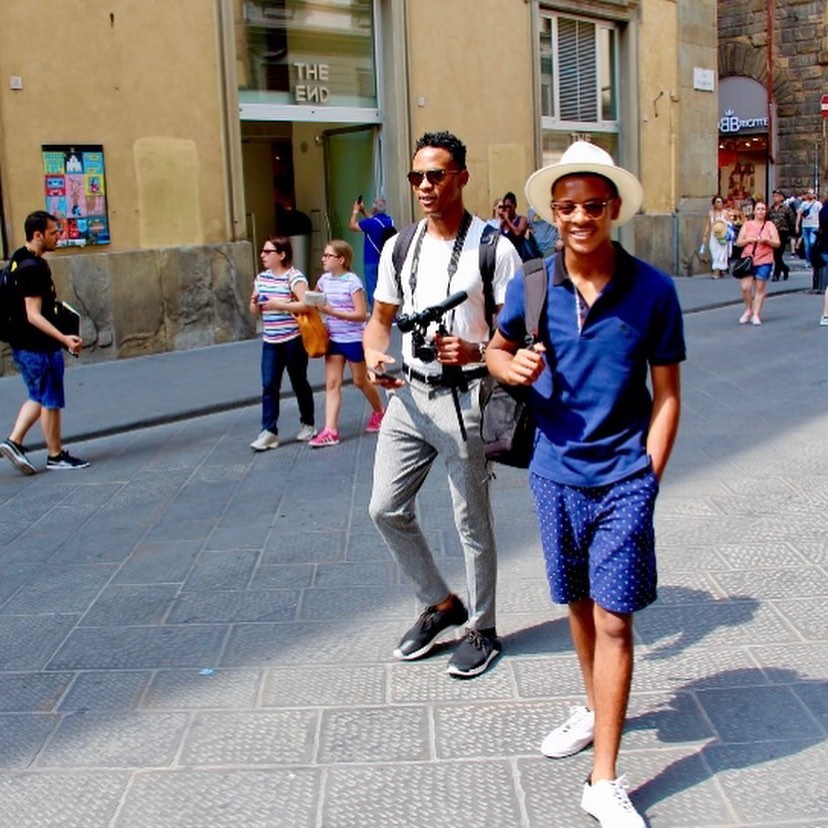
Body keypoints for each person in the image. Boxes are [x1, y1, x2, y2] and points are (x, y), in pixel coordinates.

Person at [486, 141, 685, 828]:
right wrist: (502, 366)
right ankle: (594, 709)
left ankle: (602, 780)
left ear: (616, 210)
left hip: (624, 474)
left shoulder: (654, 291)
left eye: (591, 206)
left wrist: (648, 476)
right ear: (552, 213)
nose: (578, 218)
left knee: (614, 620)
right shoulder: (534, 285)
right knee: (575, 604)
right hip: (553, 472)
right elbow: (496, 345)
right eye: (565, 206)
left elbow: (667, 396)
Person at [363, 130, 521, 678]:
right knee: (384, 508)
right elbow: (379, 320)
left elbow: (517, 334)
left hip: (466, 399)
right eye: (417, 177)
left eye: (437, 174)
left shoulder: (494, 248)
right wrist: (376, 359)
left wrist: (475, 349)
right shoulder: (399, 246)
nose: (425, 186)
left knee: (471, 523)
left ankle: (483, 626)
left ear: (462, 178)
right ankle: (440, 603)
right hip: (409, 396)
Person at [0, 211, 88, 474]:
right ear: (37, 235)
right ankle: (46, 452)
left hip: (27, 344)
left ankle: (24, 445)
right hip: (37, 346)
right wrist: (64, 339)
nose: (58, 236)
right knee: (48, 398)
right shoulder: (32, 269)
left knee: (42, 397)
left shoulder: (21, 257)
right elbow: (33, 314)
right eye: (53, 232)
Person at [308, 239, 384, 447]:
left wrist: (331, 311)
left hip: (353, 338)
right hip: (333, 338)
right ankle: (330, 430)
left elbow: (361, 315)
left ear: (341, 259)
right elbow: (314, 300)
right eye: (324, 255)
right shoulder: (324, 280)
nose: (323, 259)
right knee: (332, 384)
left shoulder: (353, 282)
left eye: (328, 256)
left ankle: (380, 412)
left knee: (360, 381)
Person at [248, 236, 316, 451]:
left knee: (299, 383)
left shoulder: (294, 277)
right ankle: (269, 431)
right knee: (269, 385)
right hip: (270, 341)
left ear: (282, 254)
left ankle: (308, 424)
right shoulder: (261, 279)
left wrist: (280, 304)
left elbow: (306, 305)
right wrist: (253, 304)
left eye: (268, 252)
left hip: (293, 340)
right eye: (263, 251)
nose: (263, 255)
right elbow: (255, 312)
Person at [734, 199, 780, 326]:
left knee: (760, 287)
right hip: (748, 259)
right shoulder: (747, 225)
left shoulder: (769, 225)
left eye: (763, 209)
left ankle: (756, 314)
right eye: (758, 209)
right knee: (745, 288)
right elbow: (738, 242)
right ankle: (748, 309)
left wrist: (767, 240)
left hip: (765, 259)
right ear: (754, 211)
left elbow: (777, 243)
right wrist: (750, 239)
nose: (761, 211)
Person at [348, 196, 394, 307]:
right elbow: (373, 221)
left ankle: (375, 314)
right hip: (384, 259)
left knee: (372, 290)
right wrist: (363, 210)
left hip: (371, 260)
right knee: (385, 288)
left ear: (374, 208)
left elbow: (352, 226)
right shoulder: (389, 221)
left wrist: (355, 211)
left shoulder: (370, 223)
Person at [767, 189, 795, 281]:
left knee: (778, 254)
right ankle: (785, 268)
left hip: (783, 232)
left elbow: (791, 221)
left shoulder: (786, 208)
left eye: (777, 196)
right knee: (775, 255)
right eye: (774, 196)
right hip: (773, 233)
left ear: (782, 197)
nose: (775, 198)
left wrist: (791, 233)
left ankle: (776, 274)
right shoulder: (771, 209)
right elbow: (768, 220)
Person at [701, 195, 731, 277]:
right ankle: (719, 270)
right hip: (714, 236)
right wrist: (705, 236)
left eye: (721, 202)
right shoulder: (710, 213)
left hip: (722, 236)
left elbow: (730, 224)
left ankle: (716, 271)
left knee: (721, 254)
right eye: (718, 202)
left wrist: (729, 234)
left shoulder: (725, 213)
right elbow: (708, 225)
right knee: (714, 252)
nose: (720, 203)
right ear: (714, 204)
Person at [796, 188, 821, 266]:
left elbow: (821, 214)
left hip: (814, 226)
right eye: (808, 193)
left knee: (812, 242)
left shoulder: (818, 204)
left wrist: (820, 225)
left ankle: (813, 259)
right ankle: (808, 261)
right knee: (807, 245)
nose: (810, 195)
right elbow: (799, 214)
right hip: (805, 226)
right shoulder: (804, 204)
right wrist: (797, 225)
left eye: (811, 193)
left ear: (814, 194)